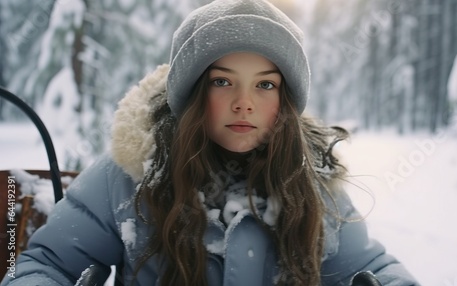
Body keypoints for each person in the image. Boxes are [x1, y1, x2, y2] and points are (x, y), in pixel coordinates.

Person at [1, 0, 420, 285]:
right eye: (222, 82)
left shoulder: (310, 180)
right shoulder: (130, 174)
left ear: (285, 99)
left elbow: (372, 267)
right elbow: (46, 265)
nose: (244, 104)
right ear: (192, 92)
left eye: (265, 85)